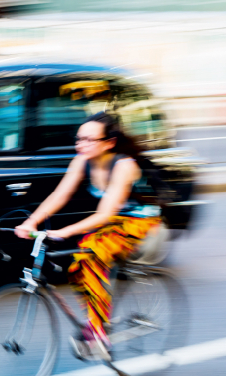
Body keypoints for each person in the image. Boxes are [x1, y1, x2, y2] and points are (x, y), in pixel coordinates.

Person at [14, 112, 161, 360]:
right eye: (79, 138)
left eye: (89, 140)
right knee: (77, 264)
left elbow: (104, 214)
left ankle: (98, 330)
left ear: (109, 143)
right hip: (114, 220)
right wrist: (31, 221)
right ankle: (97, 318)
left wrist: (65, 231)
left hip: (140, 220)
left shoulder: (123, 166)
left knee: (91, 252)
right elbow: (59, 195)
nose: (81, 144)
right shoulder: (82, 161)